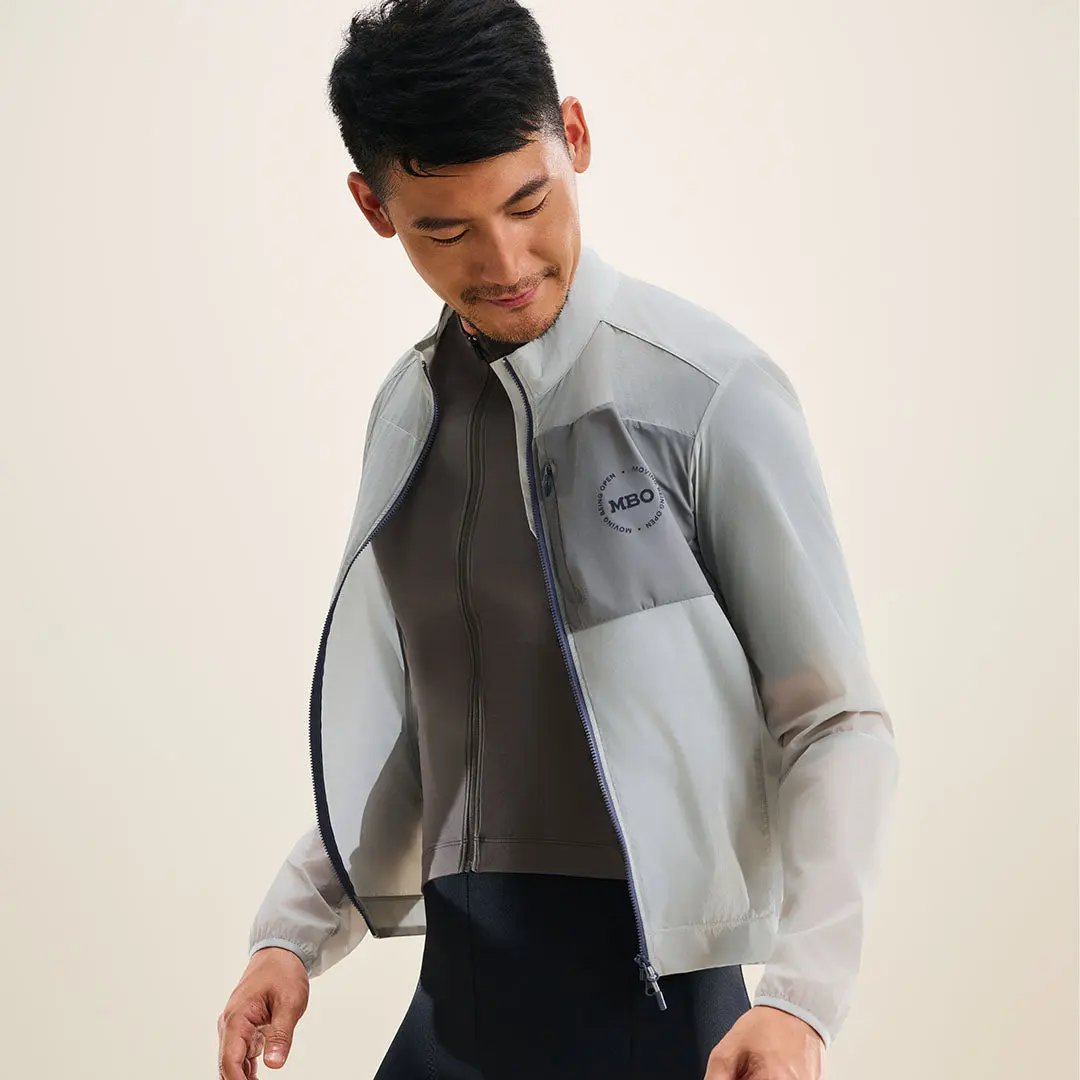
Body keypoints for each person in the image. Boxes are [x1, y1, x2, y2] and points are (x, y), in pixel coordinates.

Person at [216, 2, 900, 1077]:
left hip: (658, 1016)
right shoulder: (408, 415)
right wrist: (290, 934)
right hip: (456, 1010)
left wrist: (803, 1001)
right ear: (373, 208)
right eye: (445, 229)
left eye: (529, 201)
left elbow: (835, 720)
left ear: (573, 135)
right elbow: (432, 734)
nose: (504, 259)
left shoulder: (709, 392)